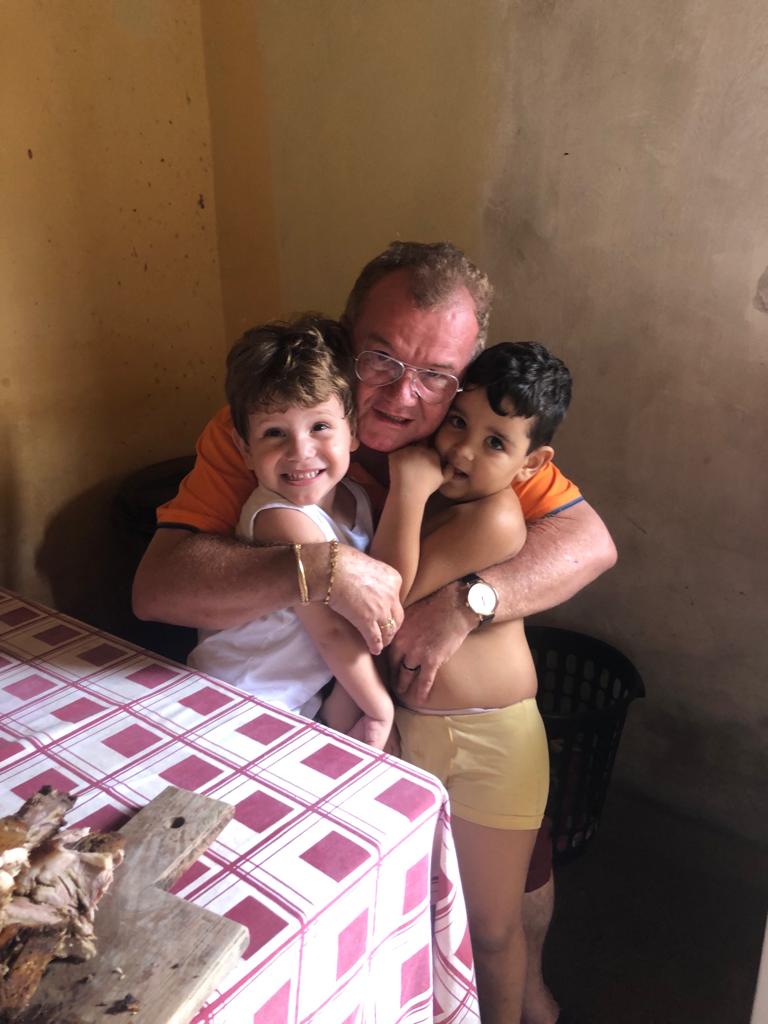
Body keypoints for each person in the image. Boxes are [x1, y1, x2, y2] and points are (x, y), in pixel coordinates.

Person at [132, 241, 617, 1024]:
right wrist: (313, 569)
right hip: (324, 715)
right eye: (381, 359)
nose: (401, 395)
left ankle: (528, 994)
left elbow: (589, 542)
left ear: (465, 377)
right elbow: (158, 587)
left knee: (506, 894)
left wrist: (468, 603)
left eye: (436, 375)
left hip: (451, 721)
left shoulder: (470, 437)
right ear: (342, 340)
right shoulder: (282, 423)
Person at [370, 341, 572, 1023]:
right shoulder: (440, 503)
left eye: (495, 442)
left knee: (490, 928)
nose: (462, 450)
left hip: (494, 745)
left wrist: (407, 487)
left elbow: (387, 599)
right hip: (415, 730)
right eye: (458, 422)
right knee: (422, 915)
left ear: (531, 463)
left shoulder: (495, 516)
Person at [187, 315, 393, 748]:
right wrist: (379, 709)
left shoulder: (357, 500)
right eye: (275, 433)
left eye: (320, 426)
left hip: (298, 698)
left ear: (353, 432)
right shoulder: (281, 517)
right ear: (245, 449)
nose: (300, 451)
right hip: (235, 695)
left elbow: (351, 636)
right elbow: (332, 634)